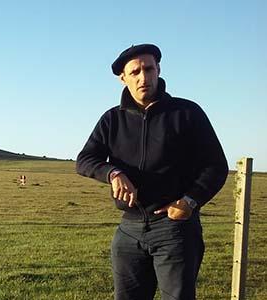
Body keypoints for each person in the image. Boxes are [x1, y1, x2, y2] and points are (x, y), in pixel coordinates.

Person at [76, 44, 228, 300]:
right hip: (129, 230)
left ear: (158, 70)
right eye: (135, 72)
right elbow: (84, 160)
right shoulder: (112, 119)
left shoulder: (187, 113)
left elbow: (216, 165)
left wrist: (190, 201)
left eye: (148, 69)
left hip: (175, 229)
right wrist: (113, 173)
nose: (143, 77)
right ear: (123, 79)